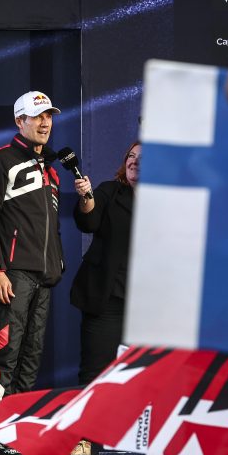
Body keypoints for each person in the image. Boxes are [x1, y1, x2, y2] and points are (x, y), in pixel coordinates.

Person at [0, 91, 65, 418]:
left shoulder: (51, 170)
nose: (45, 123)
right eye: (37, 116)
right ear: (20, 121)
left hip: (44, 278)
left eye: (48, 116)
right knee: (5, 354)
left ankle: (17, 427)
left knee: (31, 357)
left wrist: (57, 263)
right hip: (13, 276)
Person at [69, 142, 138, 385]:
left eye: (142, 157)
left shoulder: (167, 202)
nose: (134, 161)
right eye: (131, 156)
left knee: (138, 379)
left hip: (146, 307)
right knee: (95, 375)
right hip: (107, 302)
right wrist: (86, 196)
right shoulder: (111, 191)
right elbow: (89, 221)